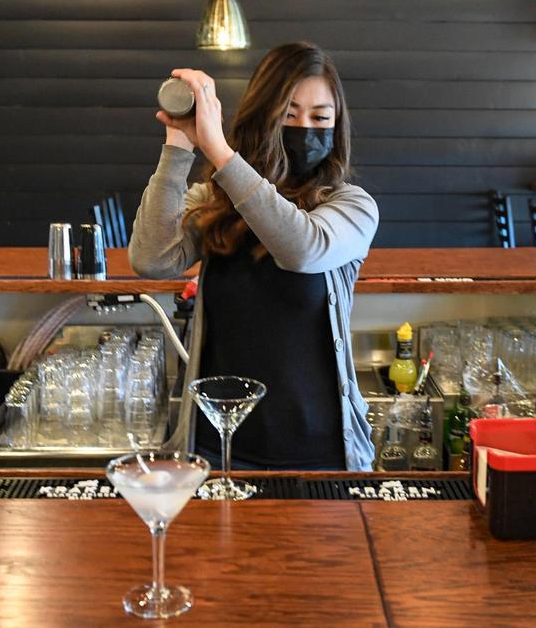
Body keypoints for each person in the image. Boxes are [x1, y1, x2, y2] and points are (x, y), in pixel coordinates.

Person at [128, 42, 378, 471]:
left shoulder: (349, 206)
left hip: (321, 456)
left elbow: (303, 248)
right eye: (288, 114)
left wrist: (221, 153)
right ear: (264, 116)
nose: (304, 127)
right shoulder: (215, 200)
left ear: (337, 129)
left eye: (320, 117)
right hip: (216, 451)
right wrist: (178, 147)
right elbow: (152, 259)